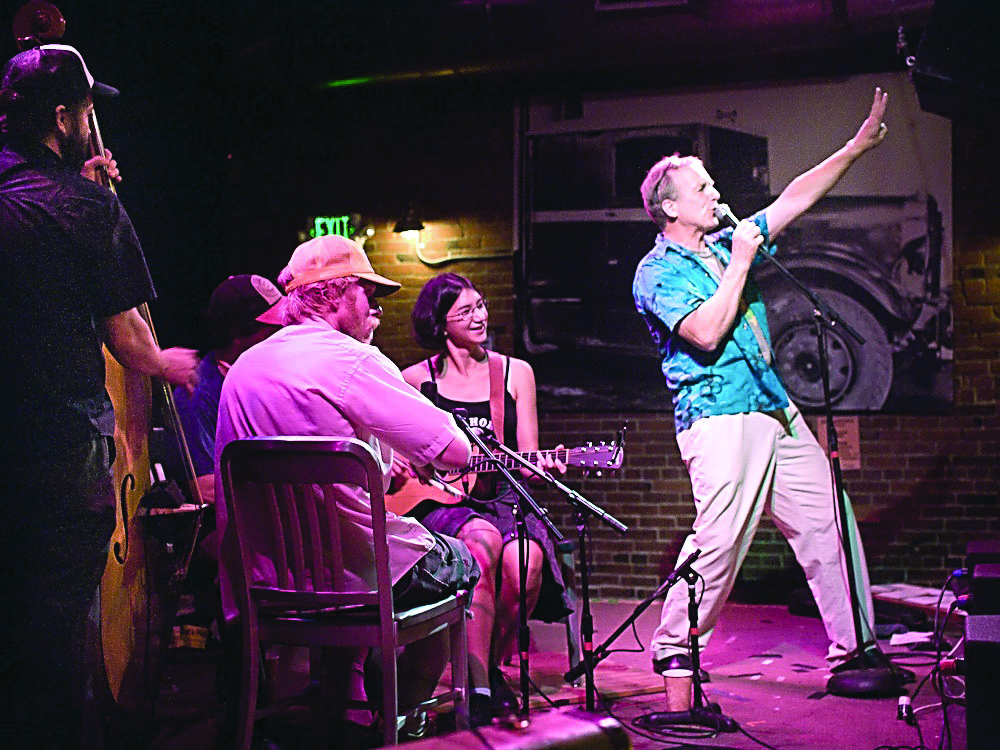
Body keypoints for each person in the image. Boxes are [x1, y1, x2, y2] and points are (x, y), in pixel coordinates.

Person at [632, 89, 889, 709]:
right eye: (703, 189)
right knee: (720, 540)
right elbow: (706, 332)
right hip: (719, 418)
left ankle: (856, 648)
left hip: (775, 407)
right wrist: (741, 262)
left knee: (829, 519)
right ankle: (675, 644)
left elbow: (795, 196)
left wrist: (854, 149)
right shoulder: (656, 272)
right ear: (669, 207)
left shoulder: (726, 244)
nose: (717, 194)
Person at [0, 45, 198, 749]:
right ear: (63, 116)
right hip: (60, 454)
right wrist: (169, 362)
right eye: (86, 110)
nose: (92, 123)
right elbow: (130, 343)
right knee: (61, 645)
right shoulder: (87, 208)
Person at [213, 235, 479, 730]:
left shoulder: (242, 370)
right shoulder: (349, 359)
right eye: (368, 294)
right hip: (354, 584)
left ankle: (343, 702)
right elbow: (453, 451)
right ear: (336, 295)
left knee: (355, 549)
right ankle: (394, 719)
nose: (374, 307)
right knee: (460, 561)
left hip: (266, 583)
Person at [398, 273, 572, 726]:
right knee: (480, 547)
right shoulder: (416, 380)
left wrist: (546, 463)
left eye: (481, 306)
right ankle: (476, 688)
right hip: (444, 504)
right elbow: (404, 454)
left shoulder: (515, 373)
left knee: (525, 564)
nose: (480, 317)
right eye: (466, 311)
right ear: (440, 325)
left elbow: (528, 453)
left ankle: (486, 668)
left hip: (505, 499)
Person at [174, 274, 285, 505]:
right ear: (238, 336)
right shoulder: (198, 395)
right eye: (273, 329)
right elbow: (204, 488)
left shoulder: (268, 378)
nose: (283, 334)